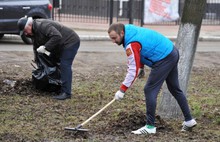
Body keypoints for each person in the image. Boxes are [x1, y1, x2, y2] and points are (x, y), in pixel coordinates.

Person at [108, 23, 197, 135]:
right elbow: (142, 48)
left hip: (163, 58)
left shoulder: (131, 43)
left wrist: (122, 90)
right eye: (111, 39)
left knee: (149, 89)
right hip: (171, 51)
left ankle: (150, 126)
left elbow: (132, 69)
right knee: (174, 88)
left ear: (121, 33)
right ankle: (189, 120)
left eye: (114, 38)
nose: (113, 41)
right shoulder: (129, 29)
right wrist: (141, 67)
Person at [17, 16, 80, 100]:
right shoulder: (33, 31)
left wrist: (45, 47)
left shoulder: (43, 25)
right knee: (54, 63)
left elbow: (57, 36)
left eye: (25, 31)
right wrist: (37, 61)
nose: (25, 33)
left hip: (70, 42)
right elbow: (36, 46)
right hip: (59, 45)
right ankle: (58, 86)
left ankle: (66, 93)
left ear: (29, 25)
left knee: (65, 65)